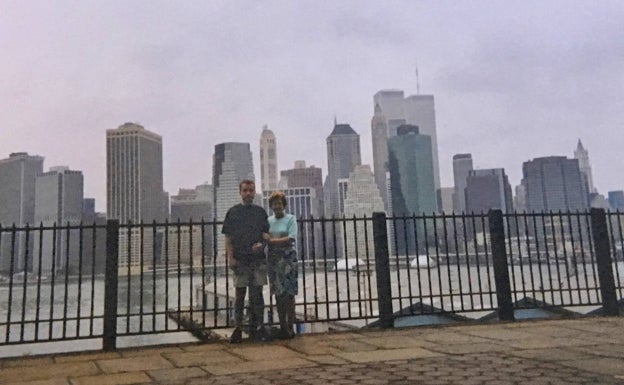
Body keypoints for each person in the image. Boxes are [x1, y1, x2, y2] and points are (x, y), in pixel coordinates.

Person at [222, 180, 269, 343]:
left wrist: (261, 245)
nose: (248, 193)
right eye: (245, 190)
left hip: (257, 260)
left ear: (254, 192)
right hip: (240, 260)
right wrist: (231, 257)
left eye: (251, 190)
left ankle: (259, 327)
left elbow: (266, 236)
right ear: (240, 192)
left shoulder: (260, 212)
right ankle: (238, 328)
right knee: (240, 295)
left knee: (258, 295)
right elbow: (228, 238)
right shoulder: (233, 212)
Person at [263, 191, 298, 339]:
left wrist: (272, 241)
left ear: (284, 204)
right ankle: (282, 325)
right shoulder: (268, 221)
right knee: (278, 293)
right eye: (274, 203)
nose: (277, 206)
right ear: (271, 206)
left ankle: (290, 326)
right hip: (274, 259)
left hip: (288, 258)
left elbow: (291, 238)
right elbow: (264, 236)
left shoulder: (291, 218)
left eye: (279, 203)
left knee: (289, 294)